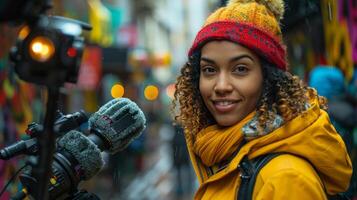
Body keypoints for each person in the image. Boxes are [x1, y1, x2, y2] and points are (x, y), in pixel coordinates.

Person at [171, 0, 353, 199]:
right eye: (209, 70)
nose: (221, 85)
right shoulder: (224, 154)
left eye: (240, 69)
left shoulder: (286, 179)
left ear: (268, 79)